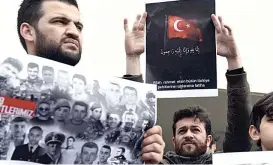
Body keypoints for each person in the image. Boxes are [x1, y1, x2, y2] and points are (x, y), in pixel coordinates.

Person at [17, 0, 164, 163]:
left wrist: (145, 155)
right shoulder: (14, 94)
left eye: (78, 26)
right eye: (60, 21)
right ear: (28, 31)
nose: (74, 31)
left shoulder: (94, 98)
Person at [123, 12, 252, 163]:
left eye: (196, 130)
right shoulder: (156, 163)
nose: (188, 135)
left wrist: (233, 60)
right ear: (173, 140)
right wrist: (132, 59)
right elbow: (137, 123)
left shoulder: (223, 162)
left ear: (209, 139)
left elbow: (241, 128)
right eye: (182, 131)